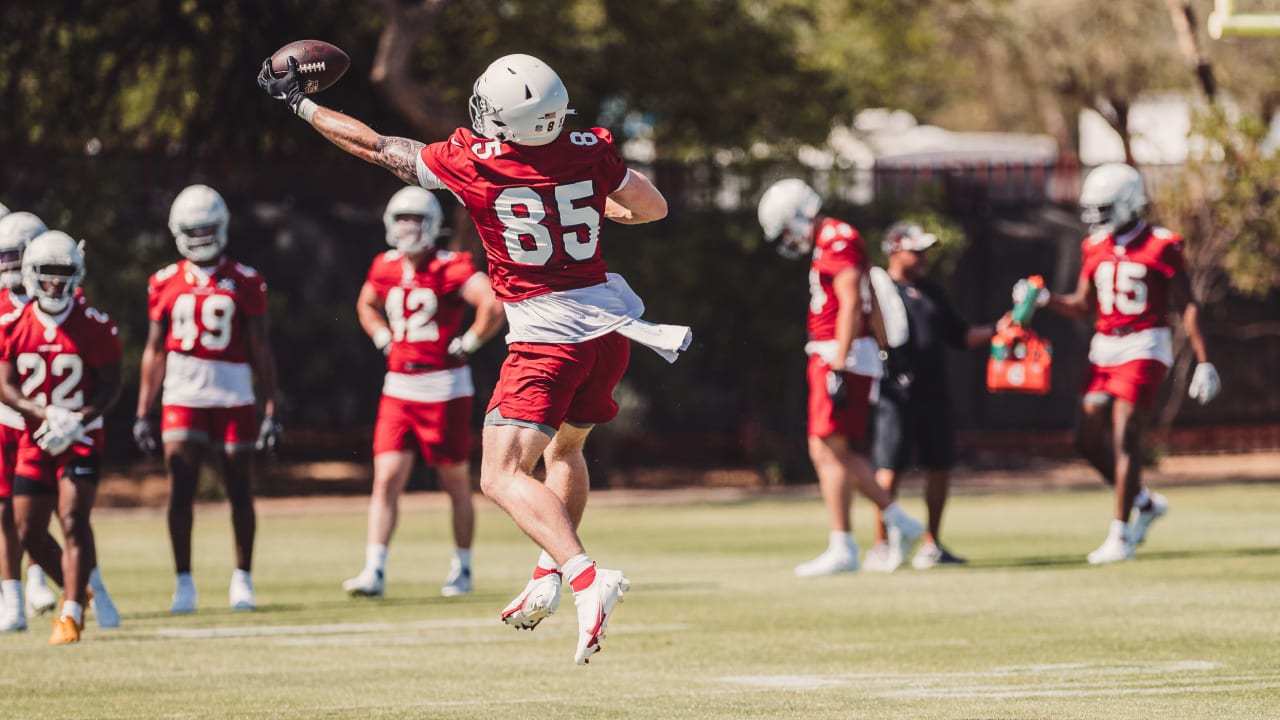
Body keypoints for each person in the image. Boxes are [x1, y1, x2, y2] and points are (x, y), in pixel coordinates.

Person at [261, 52, 688, 664]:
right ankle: (548, 575)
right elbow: (652, 208)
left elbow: (378, 146)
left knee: (499, 475)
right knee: (566, 451)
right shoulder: (589, 148)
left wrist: (301, 105)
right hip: (610, 326)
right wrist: (593, 205)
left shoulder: (476, 161)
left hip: (547, 335)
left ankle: (587, 578)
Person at [1014, 162, 1220, 564]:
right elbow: (1082, 306)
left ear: (1129, 202)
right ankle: (1143, 503)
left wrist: (1204, 360)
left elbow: (1187, 304)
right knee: (1086, 437)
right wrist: (1044, 299)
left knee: (1124, 433)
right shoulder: (1094, 246)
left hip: (1145, 343)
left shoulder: (1161, 244)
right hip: (1104, 346)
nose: (1097, 217)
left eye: (1104, 208)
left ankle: (1120, 535)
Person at [342, 186, 504, 599]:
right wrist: (381, 336)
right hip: (398, 387)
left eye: (415, 220)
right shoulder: (385, 265)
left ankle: (462, 569)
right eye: (401, 219)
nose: (407, 227)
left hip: (444, 388)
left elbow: (493, 304)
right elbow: (366, 304)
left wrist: (468, 343)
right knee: (386, 480)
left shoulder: (450, 266)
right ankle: (374, 570)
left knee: (454, 482)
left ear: (431, 225)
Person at [756, 179, 924, 576]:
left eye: (784, 229)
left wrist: (841, 362)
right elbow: (869, 301)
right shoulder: (833, 237)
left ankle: (855, 539)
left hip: (838, 352)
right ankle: (880, 529)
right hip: (842, 352)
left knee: (831, 450)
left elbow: (851, 302)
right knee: (828, 450)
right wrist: (882, 350)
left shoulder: (835, 238)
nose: (786, 239)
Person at [134, 184, 282, 612]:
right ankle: (183, 581)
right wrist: (144, 411)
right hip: (182, 392)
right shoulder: (163, 282)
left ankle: (243, 578)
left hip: (233, 393)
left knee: (240, 489)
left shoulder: (246, 280)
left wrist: (271, 407)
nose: (200, 237)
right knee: (180, 488)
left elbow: (261, 348)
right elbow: (154, 350)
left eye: (207, 228)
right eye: (192, 229)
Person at [861, 222, 1010, 572]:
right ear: (895, 250)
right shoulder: (880, 290)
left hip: (935, 392)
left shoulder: (931, 291)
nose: (924, 257)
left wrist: (997, 330)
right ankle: (882, 544)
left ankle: (932, 544)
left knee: (939, 467)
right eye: (917, 250)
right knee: (888, 469)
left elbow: (960, 335)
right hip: (895, 393)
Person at [0, 214, 121, 634]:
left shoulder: (94, 325)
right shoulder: (13, 326)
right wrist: (45, 413)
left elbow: (111, 382)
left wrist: (80, 420)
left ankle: (71, 611)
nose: (54, 283)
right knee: (26, 530)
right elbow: (5, 384)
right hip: (34, 436)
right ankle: (83, 590)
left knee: (72, 518)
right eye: (46, 274)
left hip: (81, 438)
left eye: (62, 274)